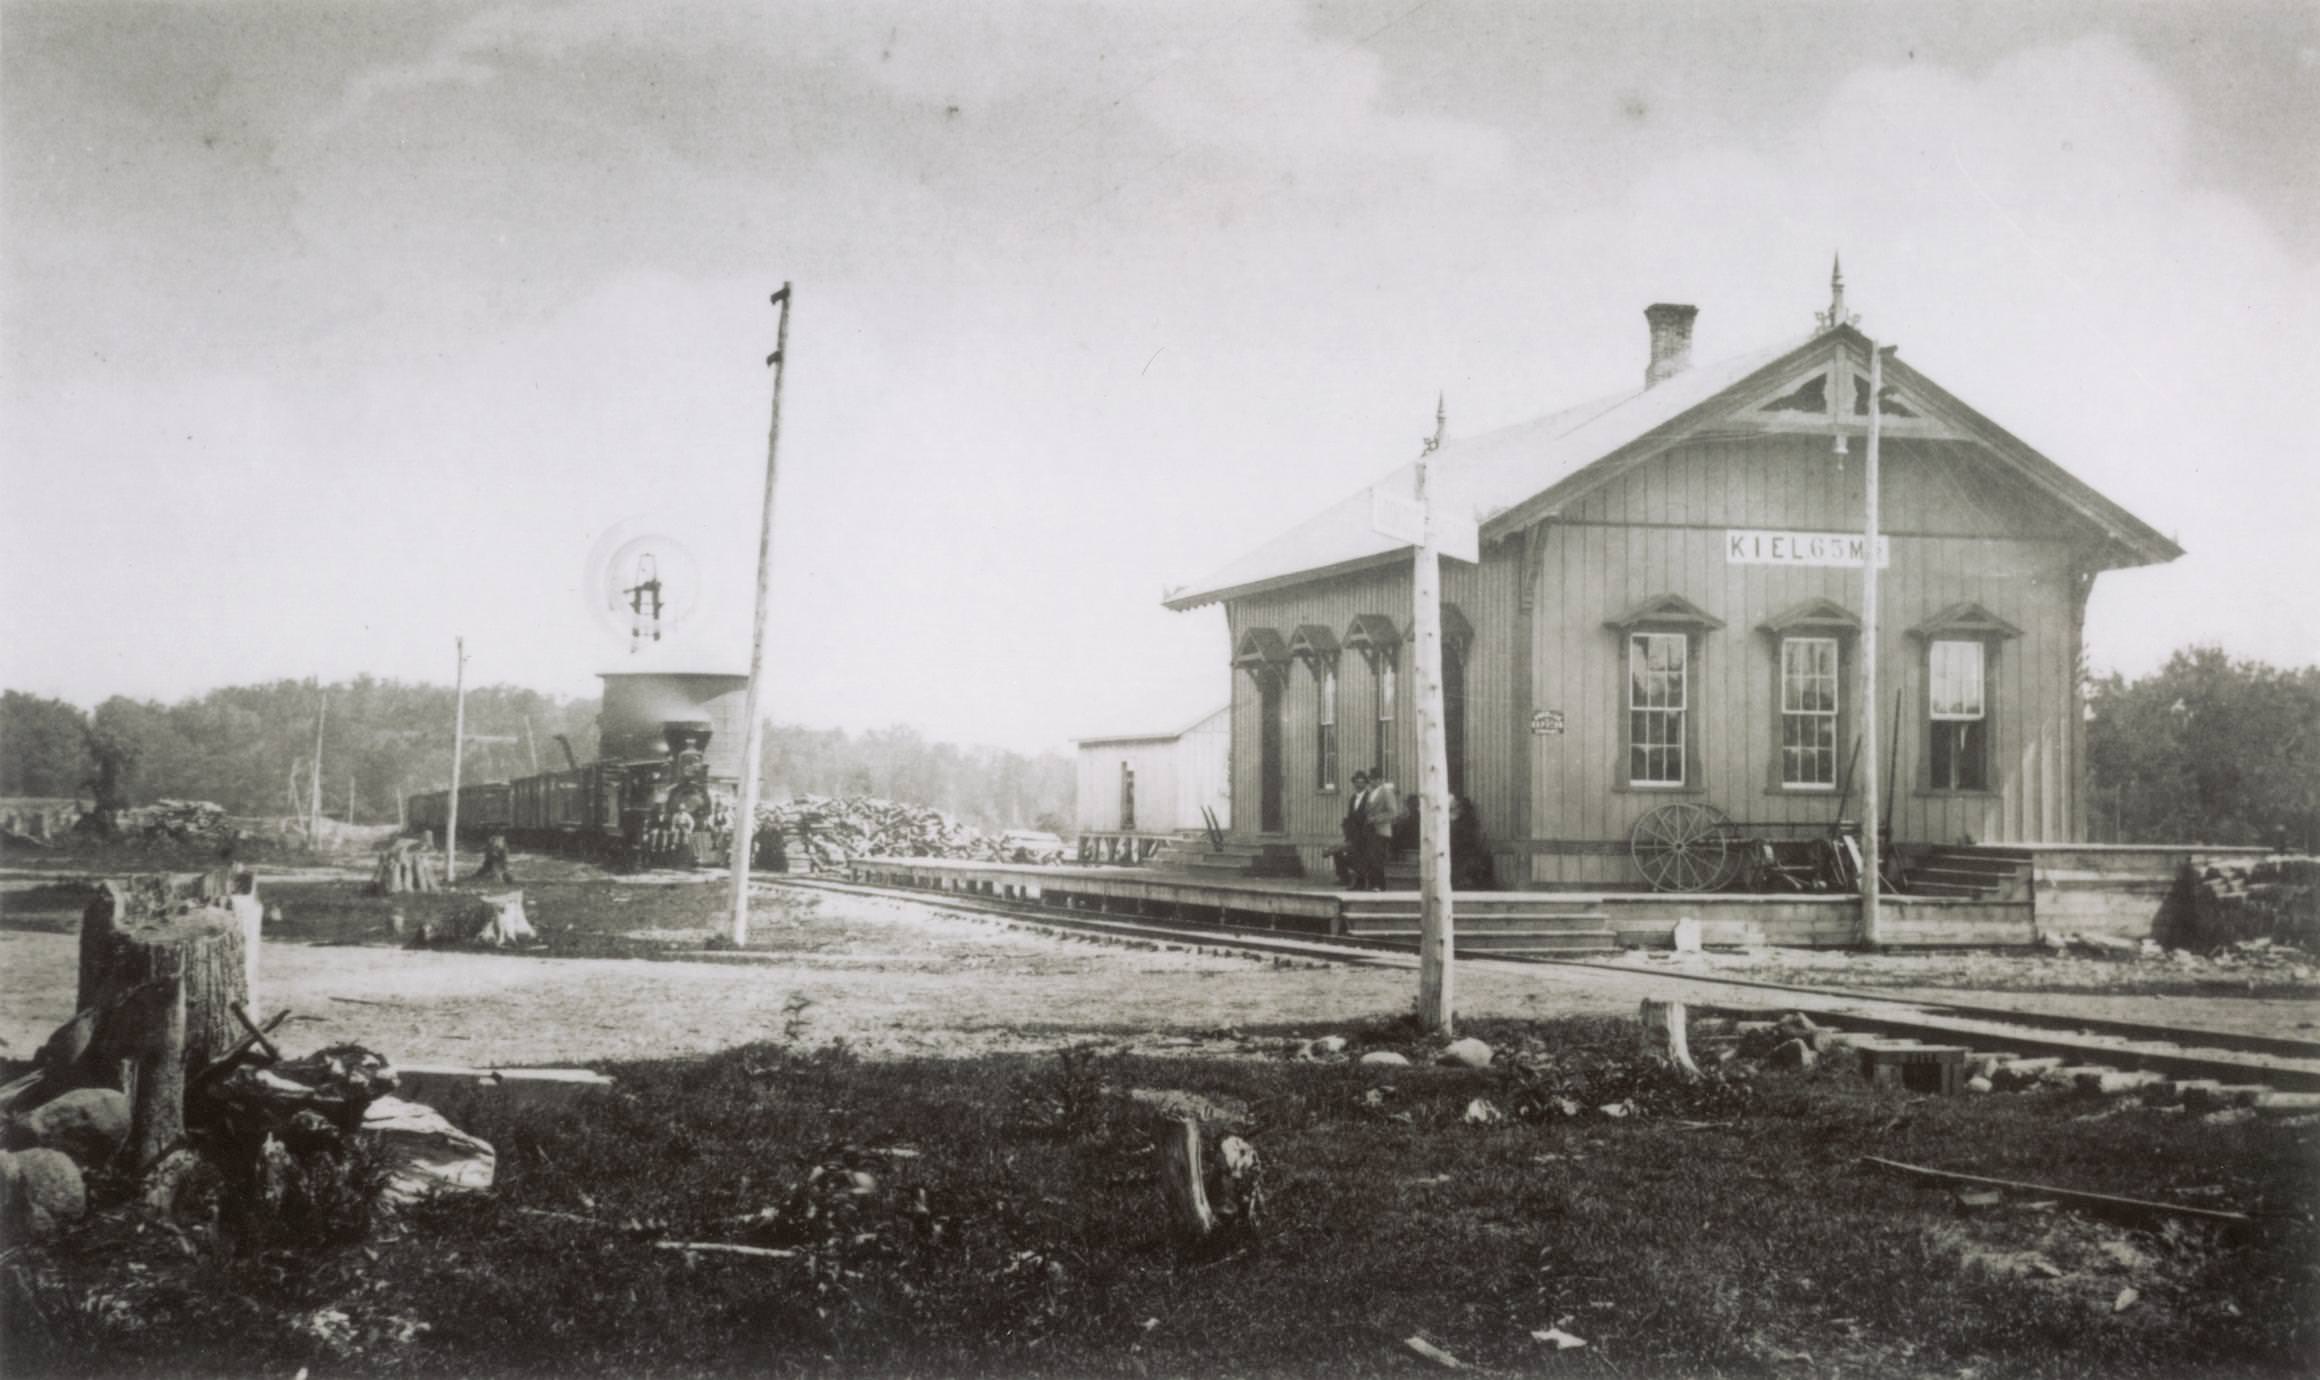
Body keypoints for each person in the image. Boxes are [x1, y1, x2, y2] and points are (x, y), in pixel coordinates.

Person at [1358, 769, 1400, 890]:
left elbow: (1393, 812)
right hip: (1370, 830)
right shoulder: (1371, 793)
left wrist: (1376, 819)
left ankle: (1380, 885)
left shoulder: (1386, 792)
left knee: (1377, 858)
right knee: (1370, 857)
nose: (1372, 781)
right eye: (1371, 779)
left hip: (1381, 830)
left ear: (1381, 780)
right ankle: (1372, 884)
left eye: (1375, 779)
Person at [1450, 795, 1495, 890]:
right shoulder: (1472, 822)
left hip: (1471, 862)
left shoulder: (1467, 824)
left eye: (1456, 808)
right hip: (1473, 860)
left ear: (1462, 809)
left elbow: (1465, 844)